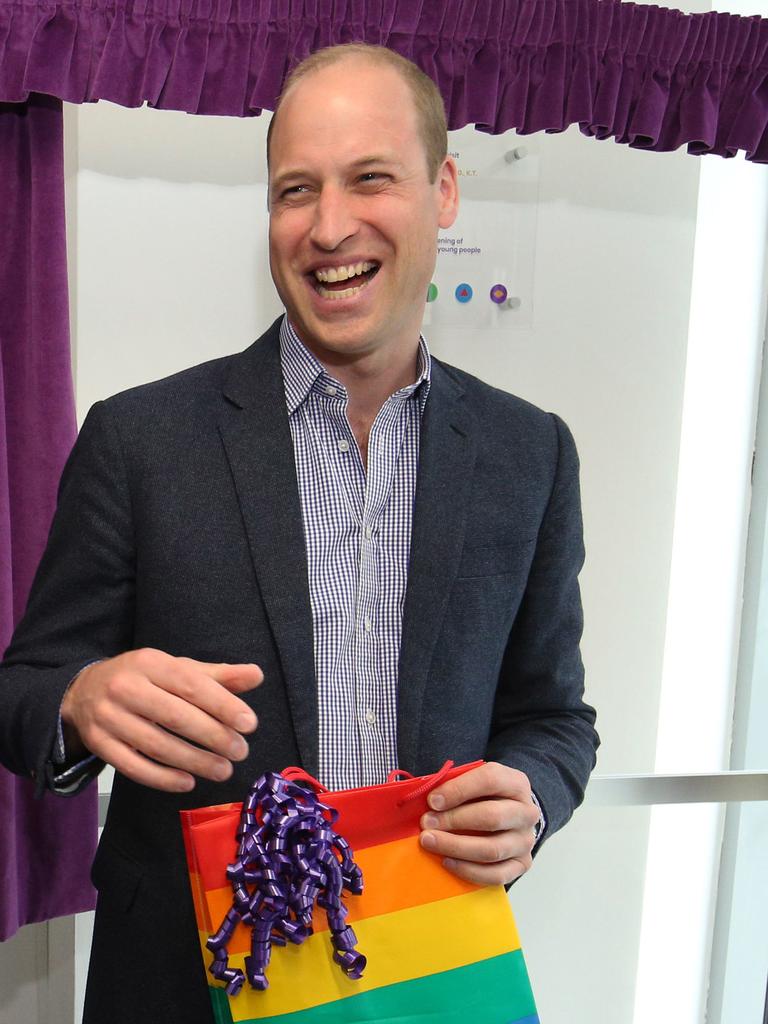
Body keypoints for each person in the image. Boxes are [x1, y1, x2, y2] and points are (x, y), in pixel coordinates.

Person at [0, 43, 598, 1024]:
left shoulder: (530, 454)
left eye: (371, 178)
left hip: (427, 971)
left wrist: (531, 794)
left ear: (443, 191)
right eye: (294, 190)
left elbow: (555, 717)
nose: (329, 227)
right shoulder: (138, 440)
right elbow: (21, 694)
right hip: (182, 986)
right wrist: (79, 697)